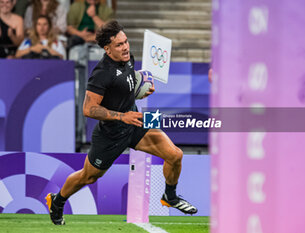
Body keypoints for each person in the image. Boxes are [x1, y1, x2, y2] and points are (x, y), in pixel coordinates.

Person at [45, 20, 198, 225]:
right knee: (88, 177)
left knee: (175, 155)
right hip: (110, 135)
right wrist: (121, 116)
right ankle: (57, 201)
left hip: (134, 123)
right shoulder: (101, 74)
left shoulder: (128, 58)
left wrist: (141, 90)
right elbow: (88, 109)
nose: (125, 47)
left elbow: (126, 87)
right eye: (119, 45)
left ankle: (169, 196)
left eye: (125, 41)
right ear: (107, 49)